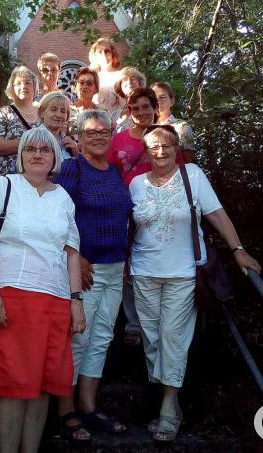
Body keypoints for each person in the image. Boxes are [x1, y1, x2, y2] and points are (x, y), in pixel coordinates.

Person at [129, 124, 261, 442]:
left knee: (173, 338)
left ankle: (168, 407)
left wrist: (238, 249)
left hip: (184, 273)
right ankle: (168, 399)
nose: (160, 151)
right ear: (145, 153)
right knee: (152, 340)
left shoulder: (193, 176)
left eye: (167, 145)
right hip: (144, 272)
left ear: (177, 148)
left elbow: (217, 214)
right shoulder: (135, 184)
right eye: (153, 146)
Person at [0, 126, 86, 453]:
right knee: (11, 384)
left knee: (42, 385)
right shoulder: (6, 185)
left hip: (55, 299)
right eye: (31, 149)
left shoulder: (63, 197)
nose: (38, 154)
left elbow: (71, 253)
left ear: (55, 157)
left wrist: (76, 301)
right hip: (13, 295)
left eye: (45, 149)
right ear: (21, 155)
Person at [53, 110, 133, 440]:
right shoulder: (73, 168)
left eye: (104, 132)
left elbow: (125, 217)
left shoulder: (114, 172)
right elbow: (58, 216)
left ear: (112, 135)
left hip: (114, 268)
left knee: (101, 339)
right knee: (79, 339)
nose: (98, 137)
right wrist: (77, 256)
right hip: (85, 269)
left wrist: (125, 258)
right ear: (79, 137)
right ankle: (66, 411)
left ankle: (88, 406)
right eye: (91, 133)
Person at [107, 88, 185, 348]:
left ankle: (159, 321)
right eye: (135, 108)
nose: (141, 112)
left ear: (155, 108)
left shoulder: (166, 138)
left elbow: (179, 171)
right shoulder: (118, 139)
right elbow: (109, 171)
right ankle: (133, 325)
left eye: (146, 107)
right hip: (124, 208)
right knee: (128, 264)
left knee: (151, 261)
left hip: (158, 209)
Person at [0, 66, 43, 184]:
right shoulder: (5, 112)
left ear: (35, 87)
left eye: (28, 83)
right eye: (18, 83)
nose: (23, 86)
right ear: (11, 89)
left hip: (37, 179)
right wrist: (29, 144)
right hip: (7, 179)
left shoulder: (43, 114)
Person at [37, 91, 78, 162]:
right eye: (53, 110)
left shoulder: (67, 141)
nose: (59, 115)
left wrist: (76, 153)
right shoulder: (34, 138)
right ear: (41, 113)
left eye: (63, 111)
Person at [112, 67, 147, 132]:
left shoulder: (147, 109)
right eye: (125, 79)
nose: (129, 82)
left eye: (133, 78)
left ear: (139, 83)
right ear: (120, 86)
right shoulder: (114, 114)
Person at [69, 67, 99, 138]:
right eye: (81, 83)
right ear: (75, 87)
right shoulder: (66, 111)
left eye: (89, 83)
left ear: (96, 88)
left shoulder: (103, 113)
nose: (85, 86)